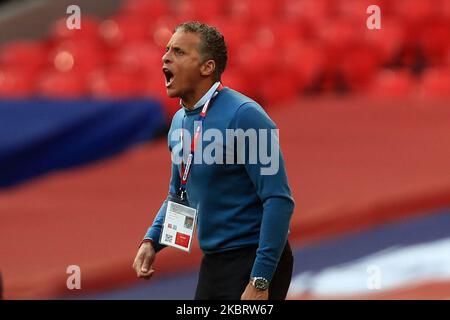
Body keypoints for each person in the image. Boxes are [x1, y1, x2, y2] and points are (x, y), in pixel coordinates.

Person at [132, 21, 295, 300]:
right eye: (168, 49)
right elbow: (181, 194)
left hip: (254, 258)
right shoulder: (180, 122)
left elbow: (278, 200)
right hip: (216, 262)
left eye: (180, 52)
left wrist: (260, 279)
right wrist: (152, 240)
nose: (166, 56)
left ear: (207, 67)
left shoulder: (245, 116)